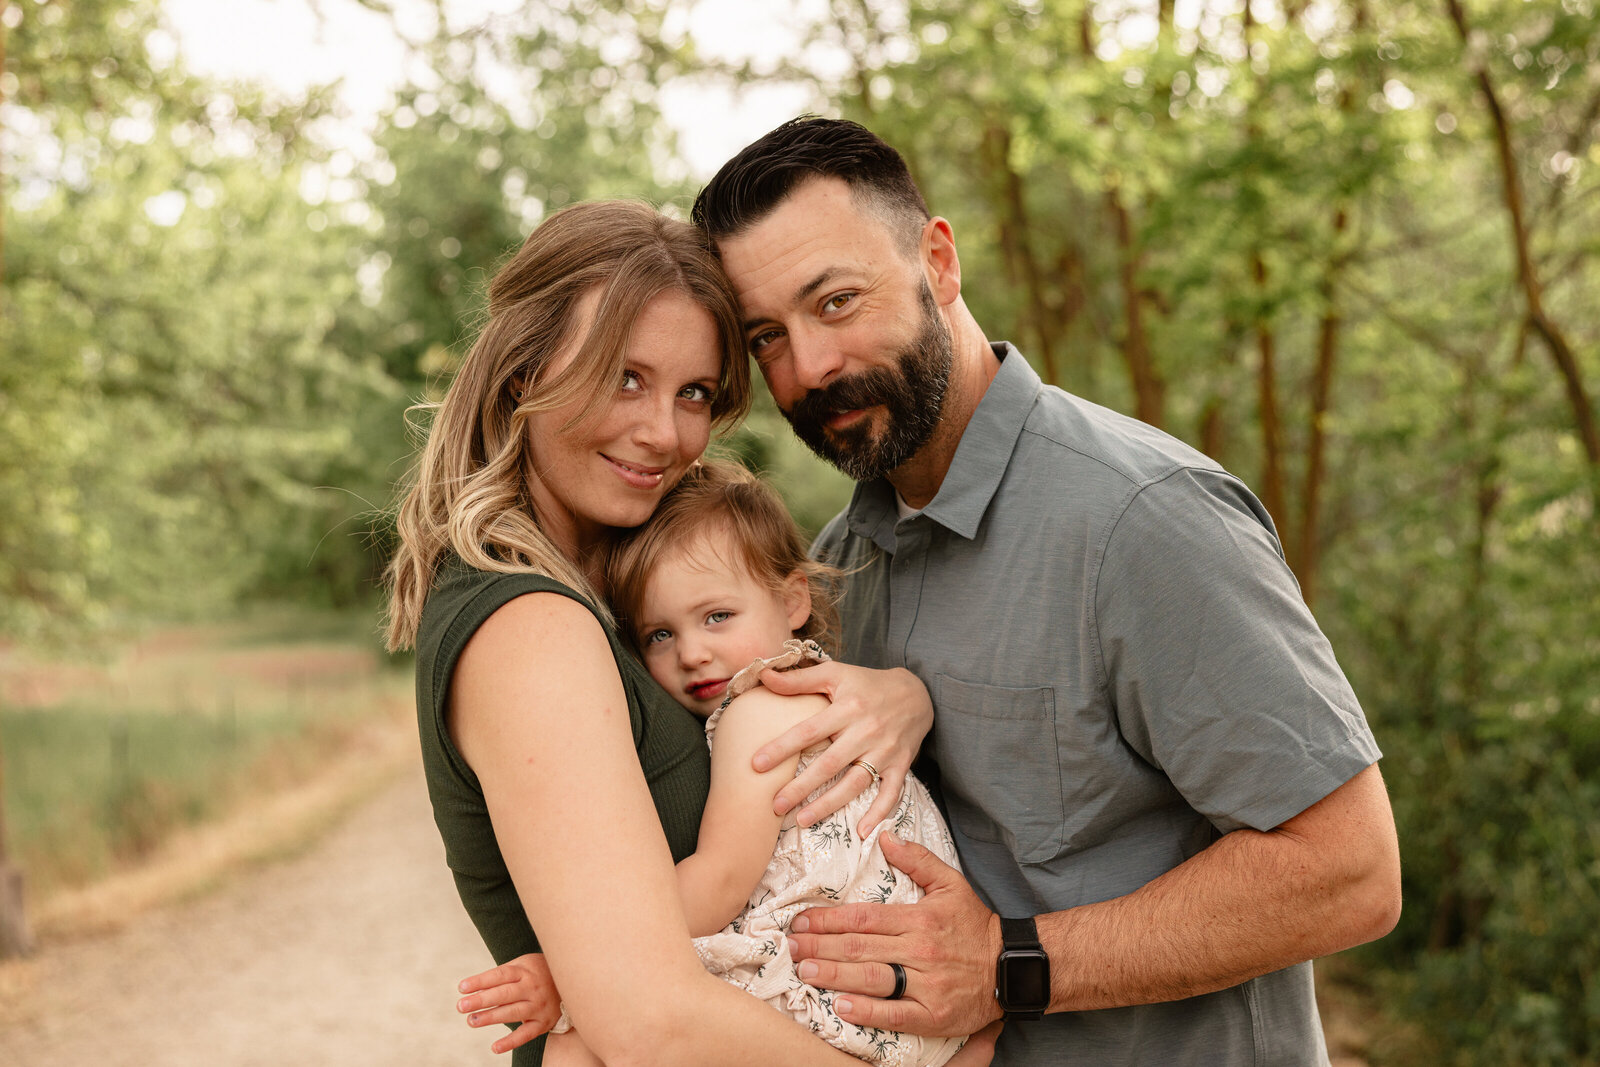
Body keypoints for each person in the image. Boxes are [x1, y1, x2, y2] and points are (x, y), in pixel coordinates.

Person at [677, 118, 1404, 1066]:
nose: (809, 367)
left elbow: (1349, 871)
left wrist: (1006, 963)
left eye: (838, 301)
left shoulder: (1143, 520)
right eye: (768, 335)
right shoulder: (839, 562)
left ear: (938, 262)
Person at [384, 200, 984, 1067]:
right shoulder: (532, 627)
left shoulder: (626, 588)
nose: (663, 432)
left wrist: (898, 695)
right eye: (625, 377)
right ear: (523, 372)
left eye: (694, 392)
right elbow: (649, 1022)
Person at [523, 459, 968, 1066]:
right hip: (902, 1001)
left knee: (587, 1031)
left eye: (716, 617)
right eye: (659, 635)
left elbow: (722, 880)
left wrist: (571, 964)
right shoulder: (817, 690)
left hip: (852, 992)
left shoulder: (761, 707)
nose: (692, 653)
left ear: (791, 601)